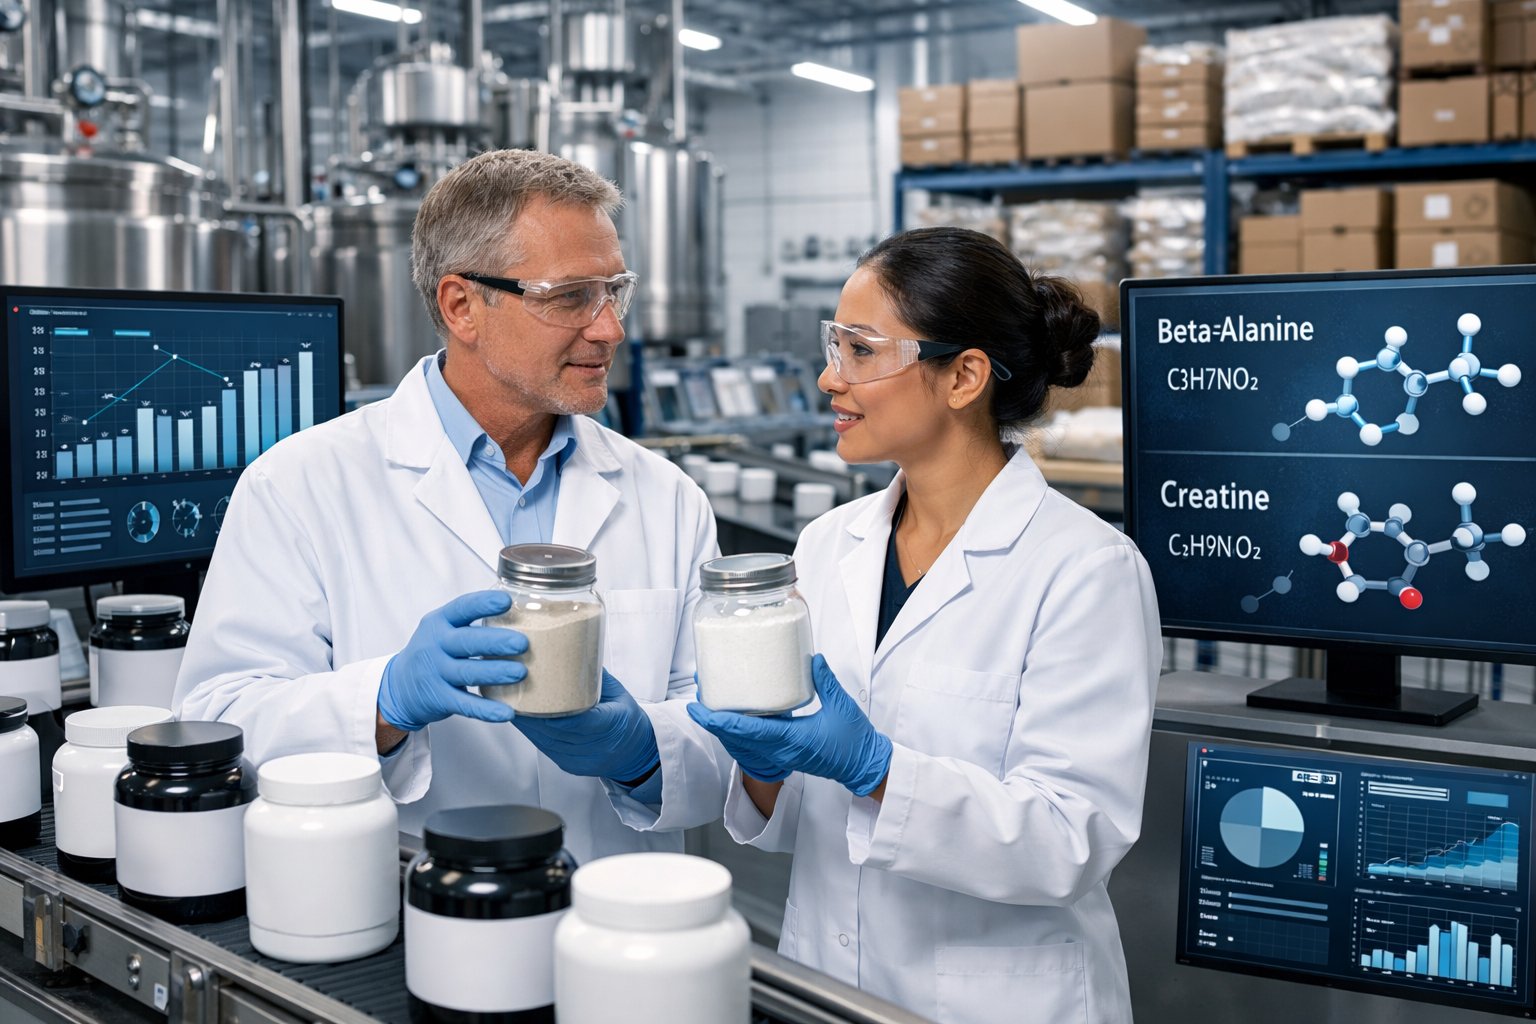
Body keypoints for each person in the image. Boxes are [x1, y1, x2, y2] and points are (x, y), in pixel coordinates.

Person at [175, 149, 730, 862]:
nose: (609, 329)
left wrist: (642, 753)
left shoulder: (666, 497)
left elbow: (727, 741)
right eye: (570, 298)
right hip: (403, 920)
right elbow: (215, 723)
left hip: (619, 926)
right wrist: (382, 701)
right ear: (462, 305)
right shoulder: (299, 485)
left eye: (613, 291)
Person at [687, 227, 1162, 1024]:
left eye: (860, 351)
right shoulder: (828, 544)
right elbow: (800, 826)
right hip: (826, 987)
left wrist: (877, 767)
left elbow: (1069, 840)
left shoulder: (1085, 570)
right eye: (833, 346)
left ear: (963, 376)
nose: (827, 378)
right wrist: (763, 764)